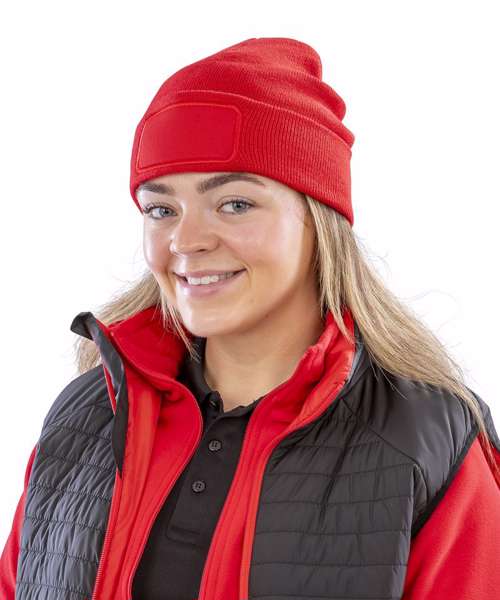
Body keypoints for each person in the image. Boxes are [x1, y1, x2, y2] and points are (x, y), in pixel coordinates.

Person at [1, 36, 499, 600]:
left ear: (319, 217)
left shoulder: (424, 440)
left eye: (235, 204)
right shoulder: (86, 415)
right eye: (161, 209)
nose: (186, 240)